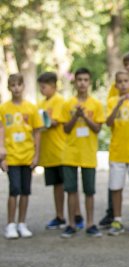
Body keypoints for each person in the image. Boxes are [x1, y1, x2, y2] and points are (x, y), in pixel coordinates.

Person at [56, 67, 106, 238]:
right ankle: (71, 223)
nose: (82, 83)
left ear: (89, 82)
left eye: (85, 80)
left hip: (88, 154)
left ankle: (91, 223)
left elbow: (97, 128)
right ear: (75, 82)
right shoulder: (67, 104)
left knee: (89, 191)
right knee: (71, 190)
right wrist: (75, 116)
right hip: (70, 153)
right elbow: (66, 129)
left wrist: (85, 116)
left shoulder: (96, 105)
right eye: (79, 80)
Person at [101, 52, 129, 228]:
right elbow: (108, 122)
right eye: (119, 82)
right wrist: (119, 103)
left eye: (126, 81)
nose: (123, 85)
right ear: (116, 85)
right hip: (117, 150)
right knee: (116, 187)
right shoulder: (112, 100)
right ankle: (117, 219)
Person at [0, 74, 42, 239]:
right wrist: (1, 154)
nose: (16, 88)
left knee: (25, 190)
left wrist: (37, 155)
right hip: (11, 155)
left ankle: (22, 223)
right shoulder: (4, 109)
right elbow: (1, 130)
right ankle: (10, 224)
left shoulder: (31, 108)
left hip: (27, 155)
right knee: (14, 189)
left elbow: (37, 132)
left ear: (23, 86)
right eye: (13, 85)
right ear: (9, 87)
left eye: (19, 85)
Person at [37, 72, 67, 230]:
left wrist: (42, 122)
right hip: (49, 153)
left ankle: (74, 216)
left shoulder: (59, 101)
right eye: (40, 87)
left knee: (66, 185)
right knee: (56, 185)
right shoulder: (41, 104)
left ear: (54, 86)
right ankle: (59, 215)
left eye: (44, 86)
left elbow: (53, 122)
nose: (42, 90)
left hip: (60, 150)